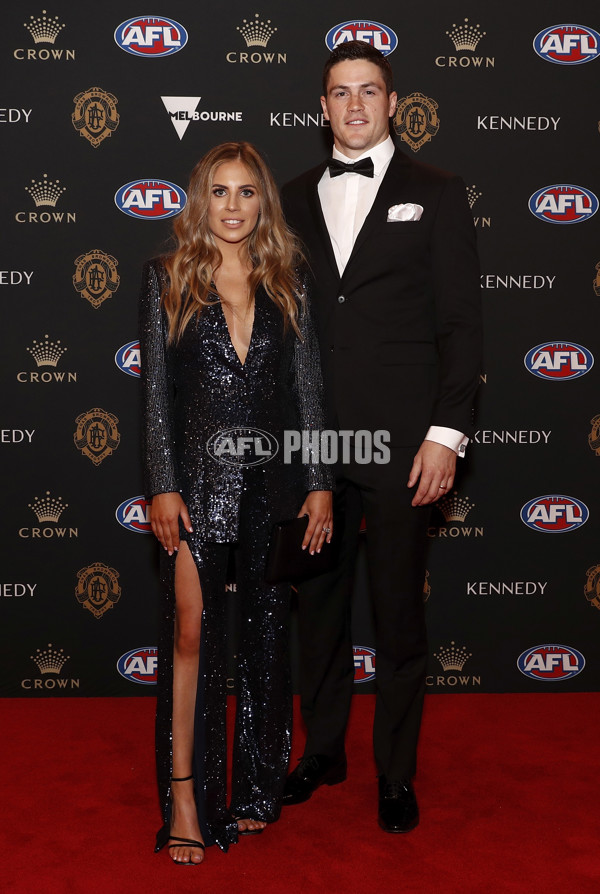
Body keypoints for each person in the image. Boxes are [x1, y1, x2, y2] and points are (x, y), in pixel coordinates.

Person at [281, 41, 482, 832]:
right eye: (340, 93)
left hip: (404, 446)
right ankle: (322, 750)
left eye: (370, 91)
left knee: (398, 616)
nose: (355, 105)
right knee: (319, 608)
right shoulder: (293, 196)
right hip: (315, 447)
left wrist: (446, 434)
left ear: (394, 103)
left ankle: (395, 774)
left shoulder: (438, 191)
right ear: (322, 106)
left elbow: (463, 326)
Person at [139, 141, 333, 864]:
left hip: (271, 487)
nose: (232, 206)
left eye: (246, 192)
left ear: (263, 204)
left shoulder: (289, 282)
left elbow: (309, 392)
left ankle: (253, 789)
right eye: (219, 191)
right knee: (190, 636)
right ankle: (186, 797)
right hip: (193, 486)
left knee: (260, 637)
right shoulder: (166, 279)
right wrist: (161, 483)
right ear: (201, 200)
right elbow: (155, 395)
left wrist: (319, 483)